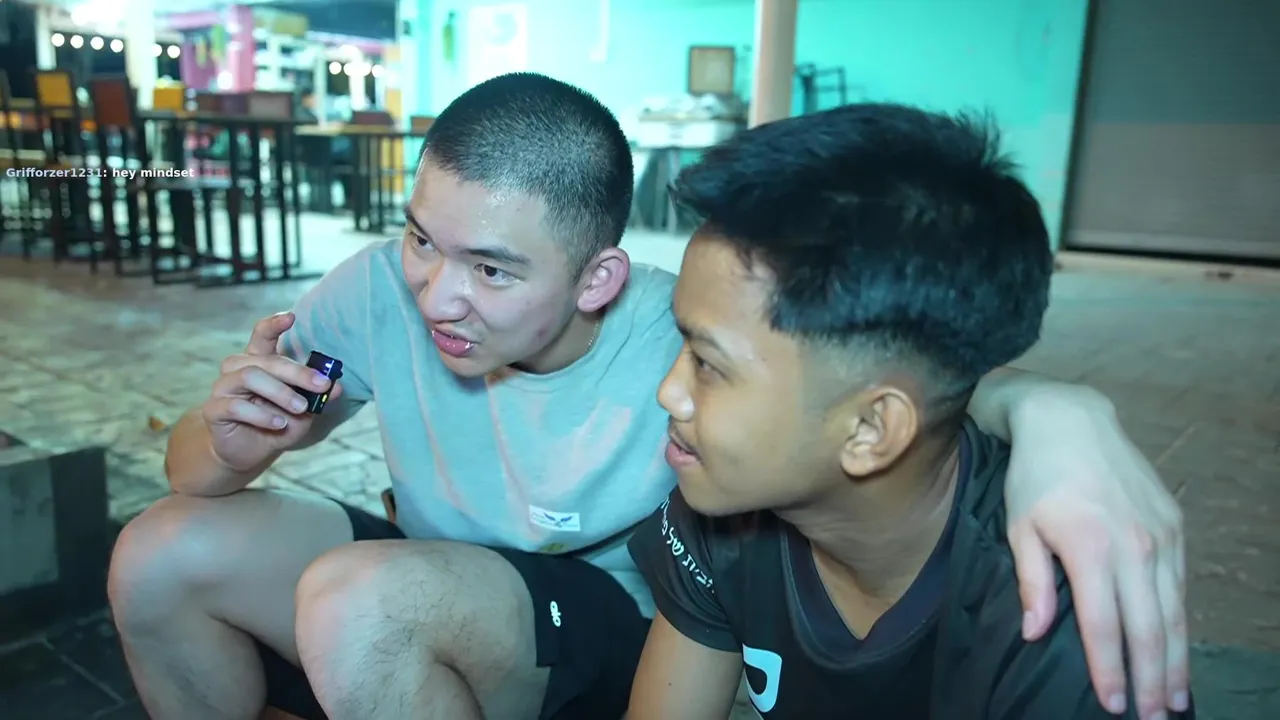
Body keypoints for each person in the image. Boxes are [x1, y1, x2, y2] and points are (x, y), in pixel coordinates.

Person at [107, 73, 1187, 720]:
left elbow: (909, 377)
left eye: (492, 268)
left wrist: (1062, 415)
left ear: (598, 279)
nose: (437, 293)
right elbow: (192, 469)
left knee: (359, 599)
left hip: (585, 616)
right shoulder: (379, 292)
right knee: (159, 549)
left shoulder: (688, 330)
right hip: (458, 570)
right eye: (422, 240)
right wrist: (232, 441)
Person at [626, 103, 1192, 720]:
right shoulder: (727, 501)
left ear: (871, 430)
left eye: (708, 364)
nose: (669, 392)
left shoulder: (1051, 611)